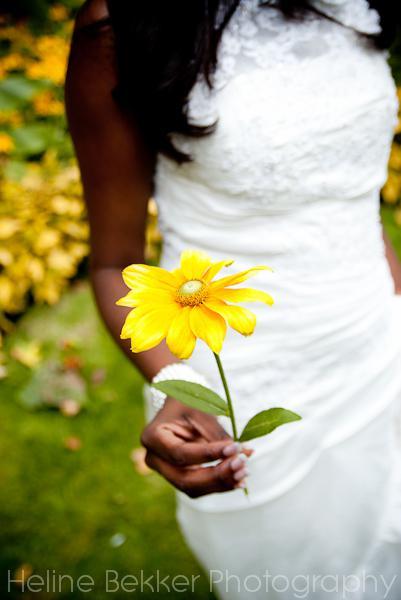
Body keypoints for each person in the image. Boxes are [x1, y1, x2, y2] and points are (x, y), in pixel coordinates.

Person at [66, 1, 401, 597]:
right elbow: (114, 264)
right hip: (235, 379)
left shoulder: (355, 6)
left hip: (378, 347)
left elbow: (354, 201)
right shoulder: (120, 29)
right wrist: (175, 383)